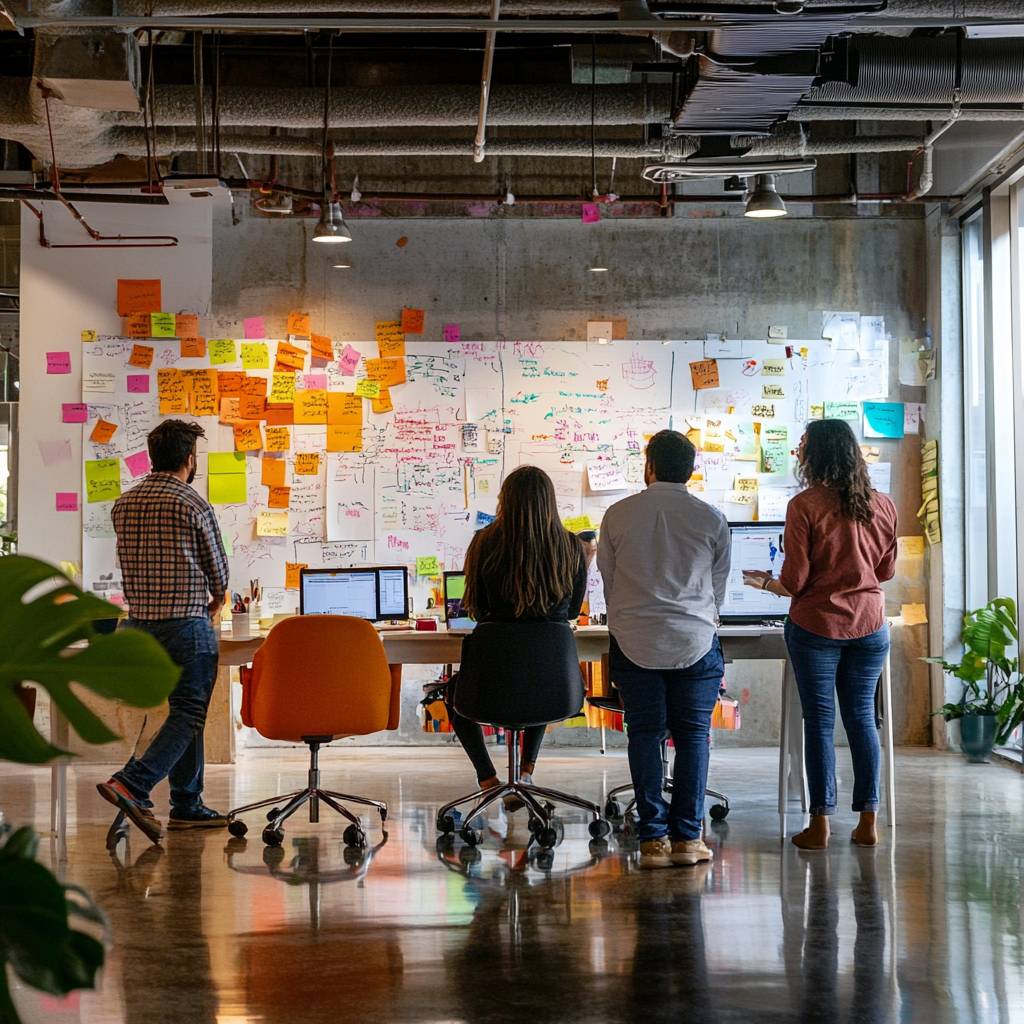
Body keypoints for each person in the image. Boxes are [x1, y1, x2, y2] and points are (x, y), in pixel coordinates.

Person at [743, 418, 897, 850]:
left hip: (817, 626)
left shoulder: (805, 505)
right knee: (863, 719)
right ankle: (868, 823)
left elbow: (794, 581)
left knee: (820, 722)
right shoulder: (882, 504)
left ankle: (820, 825)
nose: (798, 452)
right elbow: (885, 571)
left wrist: (765, 583)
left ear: (817, 455)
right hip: (870, 624)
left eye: (803, 445)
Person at [599, 430, 730, 869]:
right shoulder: (711, 519)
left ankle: (652, 840)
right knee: (693, 737)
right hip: (694, 641)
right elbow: (717, 593)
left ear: (649, 465)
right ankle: (688, 839)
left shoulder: (617, 515)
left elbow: (610, 583)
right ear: (691, 470)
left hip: (634, 642)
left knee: (644, 733)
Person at [97, 419, 231, 843]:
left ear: (154, 455)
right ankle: (133, 783)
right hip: (186, 625)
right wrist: (217, 598)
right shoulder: (193, 504)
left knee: (181, 713)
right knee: (190, 712)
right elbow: (219, 572)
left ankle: (187, 804)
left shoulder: (124, 503)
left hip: (139, 628)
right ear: (190, 459)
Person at [449, 466, 587, 801]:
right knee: (541, 672)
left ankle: (488, 778)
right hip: (556, 687)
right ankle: (526, 772)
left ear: (504, 501)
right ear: (550, 502)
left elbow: (478, 611)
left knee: (454, 691)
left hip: (490, 685)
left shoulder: (484, 543)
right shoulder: (571, 546)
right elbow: (570, 613)